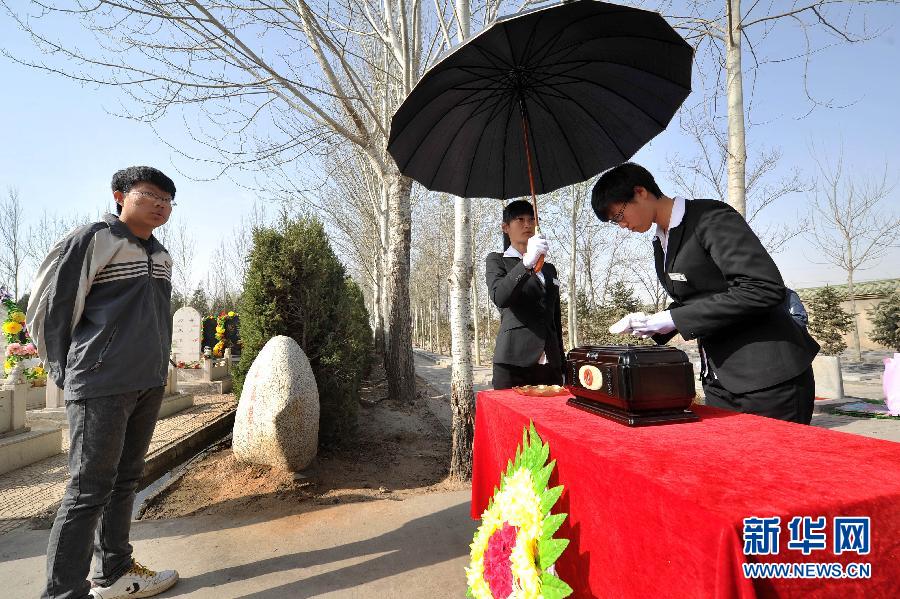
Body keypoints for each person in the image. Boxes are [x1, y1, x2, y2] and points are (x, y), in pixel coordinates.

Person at [27, 166, 180, 599]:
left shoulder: (162, 255)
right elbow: (59, 309)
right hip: (101, 383)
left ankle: (114, 572)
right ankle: (63, 593)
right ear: (119, 196)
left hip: (147, 383)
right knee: (87, 490)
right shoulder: (96, 239)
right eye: (149, 194)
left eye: (167, 200)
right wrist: (66, 373)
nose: (160, 205)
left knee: (126, 479)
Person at [592, 162, 820, 424]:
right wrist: (656, 322)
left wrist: (674, 319)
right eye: (614, 222)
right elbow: (699, 298)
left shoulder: (709, 218)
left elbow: (761, 288)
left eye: (619, 215)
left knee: (776, 464)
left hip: (769, 379)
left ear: (641, 192)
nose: (621, 225)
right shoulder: (661, 241)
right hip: (720, 380)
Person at [485, 200, 566, 389]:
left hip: (549, 363)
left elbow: (555, 318)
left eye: (532, 219)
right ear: (505, 227)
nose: (527, 224)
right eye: (519, 219)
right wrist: (526, 263)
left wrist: (562, 363)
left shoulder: (549, 269)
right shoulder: (497, 261)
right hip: (513, 362)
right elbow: (500, 297)